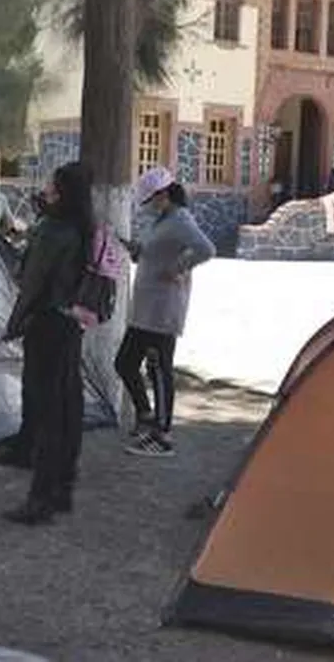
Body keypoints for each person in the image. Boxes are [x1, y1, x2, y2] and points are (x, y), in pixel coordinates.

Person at [0, 161, 93, 525]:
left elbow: (32, 282)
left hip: (47, 326)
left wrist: (14, 323)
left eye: (52, 186)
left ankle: (40, 499)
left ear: (62, 191)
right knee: (69, 409)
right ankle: (63, 489)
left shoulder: (53, 230)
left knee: (48, 413)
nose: (46, 190)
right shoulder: (86, 227)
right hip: (71, 325)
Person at [115, 167, 215, 459]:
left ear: (163, 195)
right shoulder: (159, 221)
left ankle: (163, 435)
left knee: (159, 369)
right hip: (144, 309)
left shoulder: (181, 220)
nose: (147, 207)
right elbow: (150, 252)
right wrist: (134, 249)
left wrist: (178, 269)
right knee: (125, 363)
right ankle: (146, 416)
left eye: (150, 200)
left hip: (163, 309)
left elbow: (205, 249)